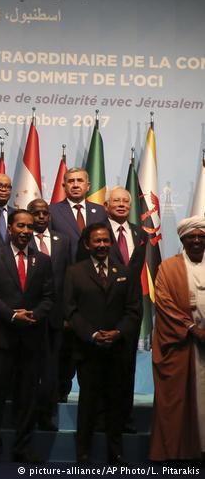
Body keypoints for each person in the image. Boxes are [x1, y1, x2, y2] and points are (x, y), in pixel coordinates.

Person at [0, 209, 53, 464]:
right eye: (20, 226)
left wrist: (33, 313)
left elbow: (49, 297)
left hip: (32, 339)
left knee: (27, 397)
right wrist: (12, 315)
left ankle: (22, 446)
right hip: (3, 337)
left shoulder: (43, 260)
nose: (25, 231)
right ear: (10, 228)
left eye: (29, 227)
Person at [64, 223, 139, 465]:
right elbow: (70, 310)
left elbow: (133, 311)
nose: (102, 245)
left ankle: (115, 451)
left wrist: (117, 332)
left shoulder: (125, 272)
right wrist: (93, 334)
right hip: (88, 349)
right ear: (87, 244)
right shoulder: (74, 272)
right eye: (97, 241)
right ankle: (82, 451)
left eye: (106, 241)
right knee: (87, 403)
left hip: (117, 349)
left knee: (116, 403)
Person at [149, 217, 205, 461]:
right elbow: (164, 302)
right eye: (190, 237)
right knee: (177, 401)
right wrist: (192, 328)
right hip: (182, 343)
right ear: (182, 239)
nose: (196, 241)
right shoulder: (168, 267)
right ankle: (179, 451)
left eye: (200, 237)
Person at [104, 186, 147, 433]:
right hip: (104, 306)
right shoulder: (96, 232)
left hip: (131, 309)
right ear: (106, 206)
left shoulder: (140, 233)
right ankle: (101, 418)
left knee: (126, 367)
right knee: (102, 367)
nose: (121, 205)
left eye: (125, 202)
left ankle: (124, 417)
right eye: (116, 201)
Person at [27, 198, 72, 431]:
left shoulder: (63, 241)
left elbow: (68, 277)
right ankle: (25, 414)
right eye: (36, 213)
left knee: (51, 369)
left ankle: (47, 414)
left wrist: (67, 314)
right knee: (28, 369)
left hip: (55, 317)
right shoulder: (22, 239)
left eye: (45, 213)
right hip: (30, 315)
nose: (42, 217)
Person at [49, 167, 108, 261]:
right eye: (71, 181)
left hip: (95, 267)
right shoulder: (52, 211)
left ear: (88, 186)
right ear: (64, 186)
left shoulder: (101, 211)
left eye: (80, 181)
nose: (75, 185)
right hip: (65, 270)